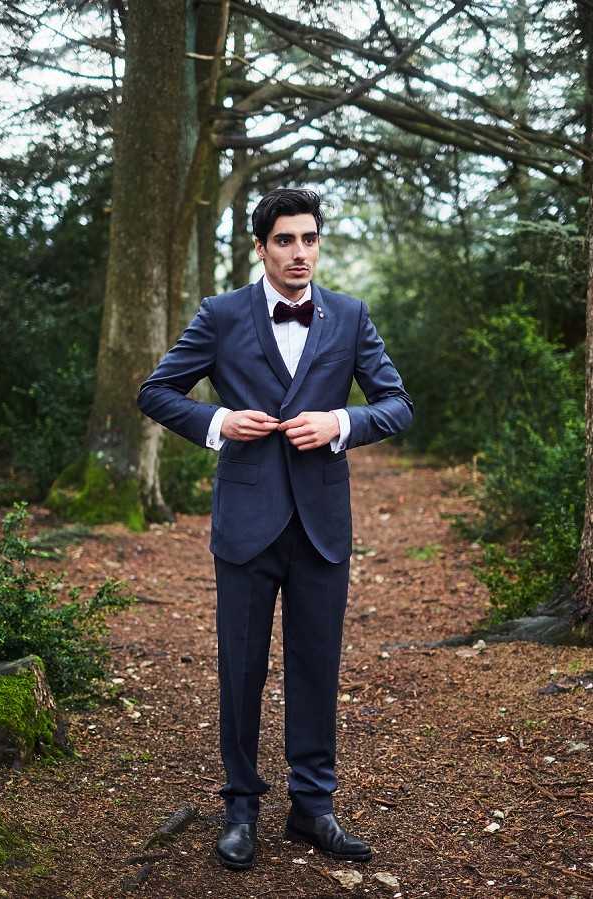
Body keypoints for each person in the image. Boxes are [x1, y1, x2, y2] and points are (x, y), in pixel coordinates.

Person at [136, 187, 413, 871]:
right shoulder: (222, 315)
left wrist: (341, 423)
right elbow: (156, 390)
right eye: (285, 240)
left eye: (309, 239)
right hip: (247, 524)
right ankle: (240, 808)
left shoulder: (349, 316)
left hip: (322, 525)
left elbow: (398, 404)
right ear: (260, 247)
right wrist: (218, 423)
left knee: (317, 668)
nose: (299, 253)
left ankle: (312, 806)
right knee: (241, 669)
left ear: (320, 243)